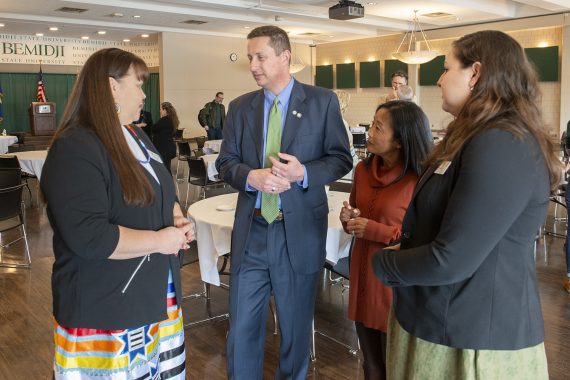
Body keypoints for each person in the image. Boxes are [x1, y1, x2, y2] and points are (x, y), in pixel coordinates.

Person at [372, 30, 561, 379]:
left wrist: (383, 264)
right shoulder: (474, 135)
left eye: (446, 69)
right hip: (441, 323)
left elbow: (452, 258)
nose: (440, 79)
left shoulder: (502, 142)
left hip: (473, 340)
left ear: (475, 73)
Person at [40, 48, 194, 379]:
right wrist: (158, 240)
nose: (143, 94)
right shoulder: (76, 146)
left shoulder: (136, 135)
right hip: (107, 308)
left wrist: (177, 216)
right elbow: (90, 236)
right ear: (111, 87)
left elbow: (162, 191)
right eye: (137, 84)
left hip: (153, 296)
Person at [216, 25, 352, 380]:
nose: (253, 65)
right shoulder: (239, 107)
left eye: (260, 56)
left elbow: (341, 158)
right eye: (250, 58)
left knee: (294, 329)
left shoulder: (322, 102)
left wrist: (303, 172)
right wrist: (251, 176)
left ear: (285, 57)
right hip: (253, 231)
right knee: (242, 326)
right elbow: (225, 162)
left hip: (299, 231)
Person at [339, 100, 433, 380]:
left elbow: (422, 237)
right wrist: (349, 218)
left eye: (378, 128)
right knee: (371, 365)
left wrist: (374, 230)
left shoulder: (421, 177)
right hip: (363, 275)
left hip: (396, 284)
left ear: (401, 140)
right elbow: (355, 216)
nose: (369, 132)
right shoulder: (363, 171)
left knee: (396, 367)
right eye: (372, 124)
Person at [152, 101, 178, 174]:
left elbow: (154, 128)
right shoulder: (171, 119)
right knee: (166, 167)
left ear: (165, 110)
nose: (160, 111)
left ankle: (169, 184)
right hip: (168, 147)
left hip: (164, 149)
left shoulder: (165, 120)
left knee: (165, 169)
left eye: (161, 109)